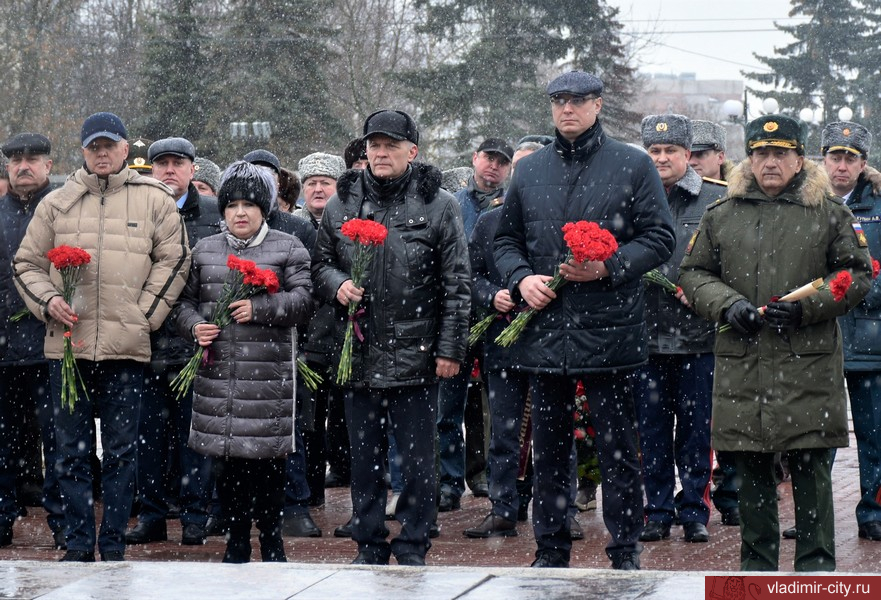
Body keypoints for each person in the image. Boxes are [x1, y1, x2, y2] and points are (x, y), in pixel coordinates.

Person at [493, 71, 675, 570]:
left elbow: (660, 238)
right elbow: (505, 240)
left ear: (598, 105)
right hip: (545, 333)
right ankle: (550, 551)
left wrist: (608, 267)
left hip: (610, 331)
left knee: (618, 452)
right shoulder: (528, 171)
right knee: (549, 453)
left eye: (577, 100)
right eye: (558, 100)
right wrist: (521, 278)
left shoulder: (633, 164)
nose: (567, 109)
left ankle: (624, 551)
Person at [679, 114, 872, 571]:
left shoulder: (829, 212)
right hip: (743, 362)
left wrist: (809, 306)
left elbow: (856, 273)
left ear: (798, 158)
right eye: (762, 153)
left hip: (807, 362)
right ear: (749, 158)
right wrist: (727, 304)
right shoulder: (722, 215)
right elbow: (694, 273)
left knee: (810, 470)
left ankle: (816, 568)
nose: (770, 162)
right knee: (750, 473)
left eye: (780, 154)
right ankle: (757, 569)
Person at [13, 112, 191, 562]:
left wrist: (143, 316)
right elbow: (26, 264)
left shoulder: (155, 200)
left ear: (126, 149)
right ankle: (76, 544)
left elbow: (174, 261)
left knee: (121, 452)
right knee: (69, 455)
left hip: (126, 351)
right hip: (68, 349)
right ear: (83, 151)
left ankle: (111, 543)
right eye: (94, 147)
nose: (102, 153)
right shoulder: (57, 203)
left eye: (110, 145)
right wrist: (49, 300)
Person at [312, 109, 471, 566]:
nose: (380, 154)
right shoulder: (343, 203)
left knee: (420, 462)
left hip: (416, 354)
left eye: (390, 146)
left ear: (412, 152)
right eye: (374, 146)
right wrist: (337, 284)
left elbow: (456, 283)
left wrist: (449, 348)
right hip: (357, 352)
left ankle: (414, 542)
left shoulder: (438, 204)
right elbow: (320, 263)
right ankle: (369, 542)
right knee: (364, 460)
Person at [174, 161, 313, 563]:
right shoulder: (204, 250)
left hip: (268, 379)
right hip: (219, 378)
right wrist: (195, 326)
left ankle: (272, 542)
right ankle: (235, 543)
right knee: (228, 469)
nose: (240, 212)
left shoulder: (288, 247)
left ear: (265, 209)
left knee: (269, 469)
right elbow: (181, 305)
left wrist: (262, 308)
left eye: (249, 205)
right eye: (232, 204)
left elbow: (304, 301)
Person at [124, 137, 220, 547]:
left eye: (177, 163)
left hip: (196, 344)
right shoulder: (137, 210)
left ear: (192, 169)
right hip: (144, 342)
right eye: (161, 163)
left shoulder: (214, 215)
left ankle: (196, 516)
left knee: (194, 437)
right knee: (147, 438)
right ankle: (153, 515)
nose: (168, 170)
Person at [634, 114, 723, 545]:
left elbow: (731, 263)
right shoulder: (632, 195)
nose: (662, 157)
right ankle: (656, 510)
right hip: (644, 337)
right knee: (650, 431)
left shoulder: (715, 201)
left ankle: (694, 511)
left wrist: (703, 291)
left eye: (671, 151)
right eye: (655, 151)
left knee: (695, 429)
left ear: (689, 155)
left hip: (697, 337)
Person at [463, 139, 541, 539]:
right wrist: (491, 295)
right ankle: (503, 506)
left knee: (552, 431)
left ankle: (553, 508)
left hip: (548, 341)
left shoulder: (556, 218)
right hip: (503, 340)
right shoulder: (490, 221)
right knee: (504, 431)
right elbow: (470, 276)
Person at [438, 138, 513, 513]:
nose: (493, 167)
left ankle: (486, 476)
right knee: (448, 407)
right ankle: (448, 482)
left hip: (501, 322)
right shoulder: (453, 203)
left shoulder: (514, 207)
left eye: (502, 162)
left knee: (495, 409)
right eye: (489, 159)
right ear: (475, 159)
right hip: (459, 319)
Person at [0, 133, 64, 549]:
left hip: (51, 344)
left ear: (47, 164)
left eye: (32, 158)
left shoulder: (62, 208)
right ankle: (2, 515)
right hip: (3, 349)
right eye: (15, 159)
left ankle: (64, 522)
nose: (23, 165)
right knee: (2, 441)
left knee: (61, 439)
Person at [822, 121, 881, 542]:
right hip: (818, 336)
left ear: (863, 164)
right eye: (835, 157)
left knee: (873, 432)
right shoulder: (804, 201)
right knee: (815, 434)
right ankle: (812, 513)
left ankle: (873, 511)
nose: (841, 166)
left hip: (869, 335)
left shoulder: (878, 203)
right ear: (822, 160)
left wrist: (865, 290)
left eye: (850, 158)